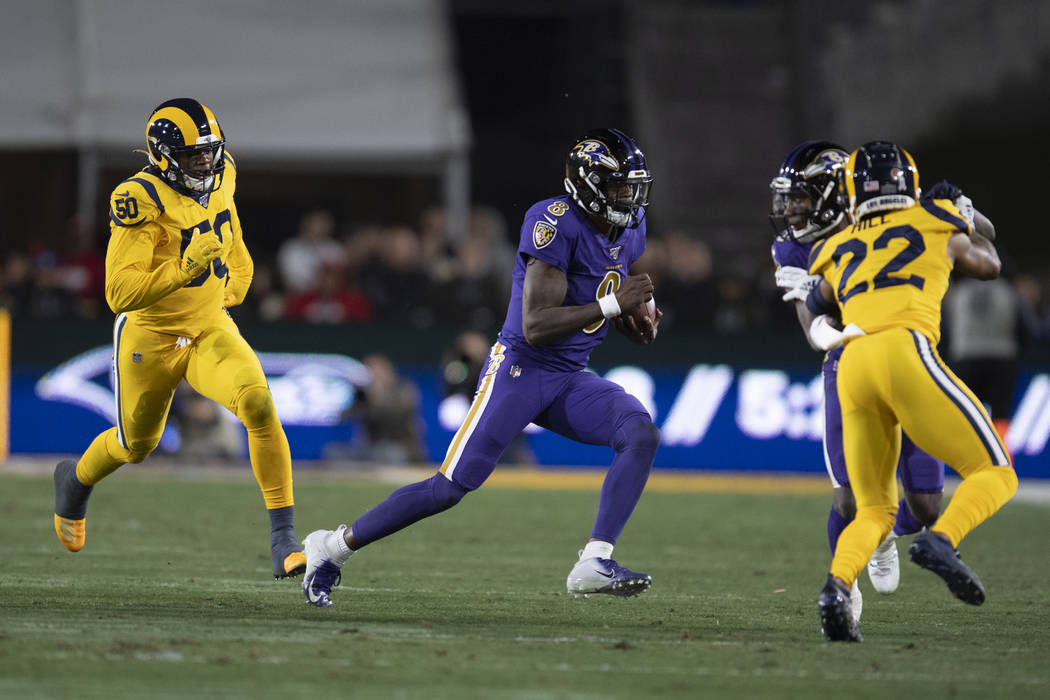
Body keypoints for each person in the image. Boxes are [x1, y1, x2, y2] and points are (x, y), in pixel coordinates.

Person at [301, 128, 662, 606]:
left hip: (570, 375)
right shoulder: (554, 222)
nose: (628, 199)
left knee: (639, 432)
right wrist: (616, 306)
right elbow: (536, 325)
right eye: (618, 188)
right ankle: (330, 547)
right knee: (447, 489)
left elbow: (607, 295)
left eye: (631, 188)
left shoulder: (630, 228)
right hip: (521, 370)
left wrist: (641, 317)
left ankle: (593, 561)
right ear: (588, 185)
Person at [51, 98, 307, 580]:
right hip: (150, 335)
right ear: (163, 157)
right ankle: (75, 479)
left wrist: (240, 264)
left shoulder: (222, 172)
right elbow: (118, 292)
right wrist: (185, 266)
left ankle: (283, 536)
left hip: (209, 325)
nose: (205, 163)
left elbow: (225, 220)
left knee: (258, 405)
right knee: (136, 445)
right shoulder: (138, 198)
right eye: (193, 156)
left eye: (210, 153)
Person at [806, 141, 1017, 642]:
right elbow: (990, 262)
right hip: (905, 348)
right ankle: (941, 540)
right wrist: (964, 212)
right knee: (996, 471)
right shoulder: (934, 218)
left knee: (875, 508)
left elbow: (817, 304)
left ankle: (837, 587)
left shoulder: (835, 245)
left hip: (852, 362)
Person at [768, 141, 947, 623]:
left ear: (830, 196)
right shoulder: (792, 246)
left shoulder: (886, 215)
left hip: (909, 358)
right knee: (848, 498)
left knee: (929, 506)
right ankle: (842, 588)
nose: (790, 209)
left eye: (801, 198)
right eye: (788, 198)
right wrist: (849, 329)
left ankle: (886, 531)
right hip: (848, 364)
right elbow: (814, 331)